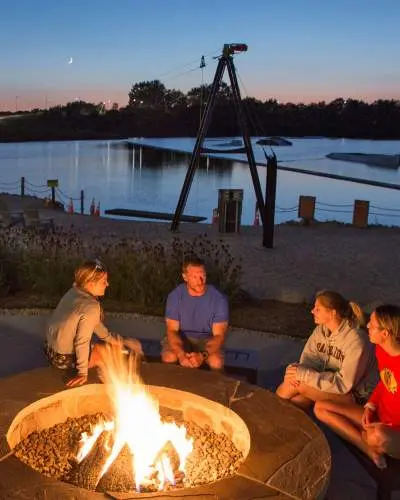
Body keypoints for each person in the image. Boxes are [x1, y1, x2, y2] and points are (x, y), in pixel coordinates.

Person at [314, 304, 400, 469]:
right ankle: (367, 448)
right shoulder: (381, 350)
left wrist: (388, 427)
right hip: (378, 416)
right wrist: (370, 406)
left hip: (394, 431)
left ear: (385, 333)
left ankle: (370, 441)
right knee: (320, 408)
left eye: (372, 325)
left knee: (378, 436)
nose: (367, 325)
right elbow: (385, 381)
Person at [44, 259, 142, 387]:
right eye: (103, 281)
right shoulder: (91, 306)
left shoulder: (75, 291)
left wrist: (119, 341)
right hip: (62, 359)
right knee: (111, 354)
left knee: (108, 347)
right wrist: (82, 372)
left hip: (50, 351)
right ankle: (115, 388)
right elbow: (82, 341)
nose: (107, 284)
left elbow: (97, 327)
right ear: (90, 283)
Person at [276, 290, 377, 409]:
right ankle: (273, 420)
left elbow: (344, 384)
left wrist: (305, 375)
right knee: (298, 397)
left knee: (300, 385)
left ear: (332, 313)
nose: (312, 311)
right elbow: (308, 363)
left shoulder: (355, 340)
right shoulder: (320, 331)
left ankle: (267, 414)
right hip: (329, 386)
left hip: (355, 395)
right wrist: (294, 371)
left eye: (318, 309)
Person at [161, 256, 228, 370]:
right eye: (194, 277)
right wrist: (181, 355)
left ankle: (215, 386)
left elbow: (219, 336)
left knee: (216, 361)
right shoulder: (175, 296)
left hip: (207, 339)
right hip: (182, 337)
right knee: (169, 356)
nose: (200, 281)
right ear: (185, 277)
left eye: (203, 275)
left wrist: (202, 356)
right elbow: (172, 331)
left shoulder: (218, 299)